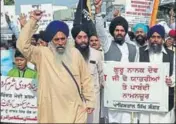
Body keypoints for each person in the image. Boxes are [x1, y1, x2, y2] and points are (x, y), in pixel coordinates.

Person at [17, 10, 95, 123]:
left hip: (74, 109)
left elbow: (86, 79)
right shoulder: (42, 54)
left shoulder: (75, 53)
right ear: (51, 41)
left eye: (63, 39)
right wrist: (33, 20)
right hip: (51, 110)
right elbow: (22, 45)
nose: (60, 42)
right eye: (56, 39)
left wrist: (90, 101)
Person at [94, 0, 138, 123]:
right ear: (113, 32)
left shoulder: (133, 48)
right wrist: (98, 11)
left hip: (128, 92)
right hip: (112, 93)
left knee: (128, 119)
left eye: (122, 30)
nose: (119, 33)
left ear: (125, 32)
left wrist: (119, 18)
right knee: (112, 119)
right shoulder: (108, 45)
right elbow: (100, 31)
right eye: (117, 30)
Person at [139, 25, 175, 123]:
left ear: (163, 39)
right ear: (149, 38)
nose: (155, 40)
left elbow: (175, 73)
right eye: (153, 37)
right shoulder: (140, 52)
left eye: (158, 37)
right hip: (145, 99)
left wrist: (171, 80)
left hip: (164, 98)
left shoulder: (171, 54)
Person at [71, 24, 104, 123]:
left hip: (93, 98)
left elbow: (101, 76)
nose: (83, 40)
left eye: (85, 37)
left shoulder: (97, 54)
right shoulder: (69, 55)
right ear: (75, 39)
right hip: (75, 98)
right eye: (79, 37)